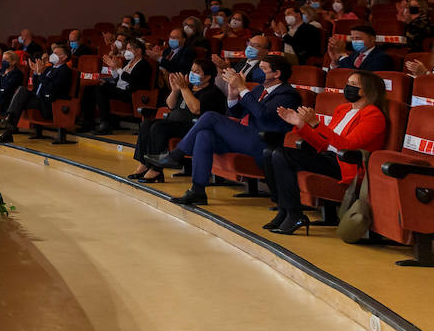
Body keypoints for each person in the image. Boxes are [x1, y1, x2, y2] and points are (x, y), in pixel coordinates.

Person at [148, 55, 301, 206]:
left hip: (266, 143)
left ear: (277, 73)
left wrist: (242, 88)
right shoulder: (260, 89)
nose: (258, 71)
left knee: (210, 117)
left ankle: (175, 155)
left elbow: (262, 115)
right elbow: (235, 113)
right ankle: (198, 190)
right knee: (204, 135)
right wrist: (233, 95)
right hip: (247, 138)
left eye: (263, 69)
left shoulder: (287, 94)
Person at [263, 70, 389, 236]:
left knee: (282, 155)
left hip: (346, 164)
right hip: (329, 158)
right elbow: (324, 144)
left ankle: (294, 215)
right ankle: (283, 209)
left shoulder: (374, 115)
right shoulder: (343, 109)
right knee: (269, 151)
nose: (347, 87)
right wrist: (301, 124)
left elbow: (348, 146)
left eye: (353, 84)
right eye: (348, 83)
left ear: (367, 90)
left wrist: (315, 123)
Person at [127, 59, 225, 183]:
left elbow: (196, 109)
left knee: (158, 127)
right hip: (174, 122)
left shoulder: (212, 92)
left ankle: (156, 170)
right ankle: (144, 164)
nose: (192, 74)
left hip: (192, 127)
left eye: (197, 72)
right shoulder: (188, 87)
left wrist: (184, 89)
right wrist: (175, 90)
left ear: (207, 77)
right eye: (192, 70)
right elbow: (170, 105)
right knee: (147, 124)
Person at [0, 46, 73, 143]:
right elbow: (38, 86)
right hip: (39, 99)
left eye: (56, 53)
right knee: (22, 90)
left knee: (20, 96)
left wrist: (40, 73)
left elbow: (52, 89)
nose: (52, 55)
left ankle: (9, 120)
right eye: (53, 52)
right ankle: (9, 127)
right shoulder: (49, 69)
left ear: (64, 57)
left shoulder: (65, 71)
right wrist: (36, 73)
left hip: (50, 103)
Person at [79, 37, 152, 134]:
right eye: (126, 49)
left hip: (131, 92)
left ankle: (105, 125)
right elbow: (119, 79)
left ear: (138, 51)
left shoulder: (144, 64)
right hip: (120, 89)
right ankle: (88, 123)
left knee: (101, 90)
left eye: (129, 49)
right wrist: (113, 69)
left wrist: (117, 68)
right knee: (91, 88)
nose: (126, 51)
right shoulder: (128, 63)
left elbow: (132, 80)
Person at [326, 23, 397, 72]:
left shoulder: (382, 58)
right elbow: (334, 76)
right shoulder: (352, 56)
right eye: (352, 39)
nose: (354, 41)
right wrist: (334, 61)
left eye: (358, 38)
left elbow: (359, 77)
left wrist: (342, 53)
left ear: (372, 39)